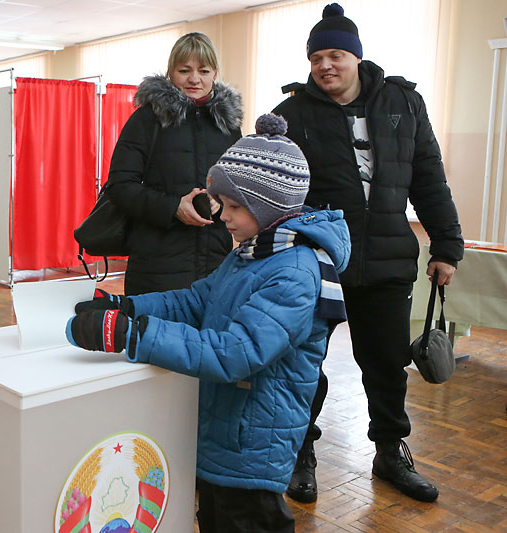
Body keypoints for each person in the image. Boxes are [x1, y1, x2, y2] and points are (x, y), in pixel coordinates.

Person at [66, 115, 351, 533]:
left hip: (253, 441)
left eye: (235, 207)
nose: (223, 217)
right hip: (227, 430)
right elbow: (197, 301)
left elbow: (236, 352)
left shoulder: (294, 270)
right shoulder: (254, 251)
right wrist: (126, 306)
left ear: (267, 207)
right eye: (223, 204)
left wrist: (132, 335)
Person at [272, 3, 464, 504]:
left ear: (357, 57)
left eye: (335, 54)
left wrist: (446, 245)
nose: (325, 66)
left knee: (384, 364)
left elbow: (429, 176)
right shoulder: (291, 115)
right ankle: (300, 452)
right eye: (316, 57)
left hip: (386, 260)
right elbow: (276, 192)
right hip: (316, 263)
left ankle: (390, 451)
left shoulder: (402, 102)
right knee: (302, 364)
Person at [105, 32, 243, 296]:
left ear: (215, 73)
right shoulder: (147, 120)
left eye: (203, 70)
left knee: (209, 337)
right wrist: (173, 208)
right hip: (157, 265)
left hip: (215, 263)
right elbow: (120, 186)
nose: (194, 79)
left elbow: (239, 186)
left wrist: (222, 201)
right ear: (170, 72)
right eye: (184, 70)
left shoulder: (228, 125)